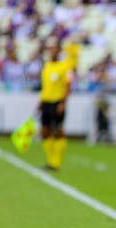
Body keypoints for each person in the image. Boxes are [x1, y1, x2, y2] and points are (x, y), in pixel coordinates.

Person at [38, 40, 73, 171]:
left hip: (57, 102)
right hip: (46, 102)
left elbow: (68, 86)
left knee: (58, 131)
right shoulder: (47, 66)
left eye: (54, 49)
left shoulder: (64, 66)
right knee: (45, 131)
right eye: (50, 49)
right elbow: (45, 87)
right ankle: (49, 160)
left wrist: (63, 103)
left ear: (59, 51)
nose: (52, 51)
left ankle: (56, 163)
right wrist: (40, 102)